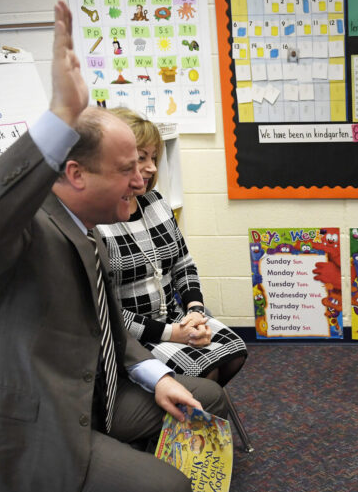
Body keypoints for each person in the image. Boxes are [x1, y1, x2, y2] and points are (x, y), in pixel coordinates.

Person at [0, 2, 226, 492]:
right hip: (23, 430)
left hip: (77, 397)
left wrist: (154, 375)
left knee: (203, 396)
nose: (144, 176)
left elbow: (108, 325)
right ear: (72, 171)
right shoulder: (14, 235)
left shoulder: (85, 230)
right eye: (127, 168)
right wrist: (59, 117)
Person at [97, 108, 247, 386]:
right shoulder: (96, 221)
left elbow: (183, 264)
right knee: (202, 374)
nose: (153, 167)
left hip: (176, 319)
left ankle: (198, 416)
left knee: (234, 351)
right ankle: (193, 417)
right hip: (134, 334)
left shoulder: (154, 202)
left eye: (153, 157)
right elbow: (108, 311)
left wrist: (195, 311)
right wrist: (171, 333)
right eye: (141, 158)